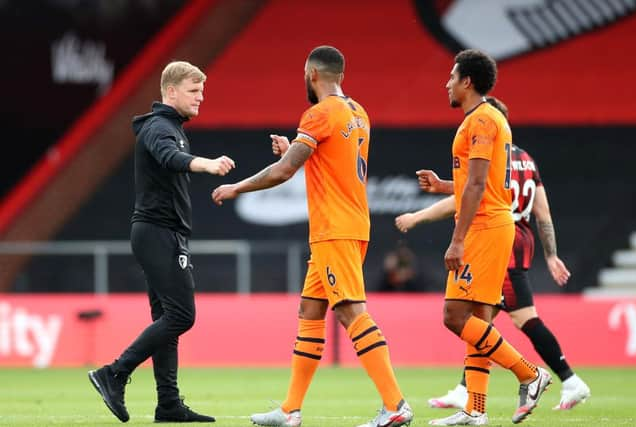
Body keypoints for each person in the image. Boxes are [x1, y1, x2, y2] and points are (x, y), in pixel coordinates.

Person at [212, 45, 413, 427]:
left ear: (313, 74)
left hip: (335, 229)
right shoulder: (357, 112)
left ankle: (395, 404)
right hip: (345, 225)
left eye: (304, 74)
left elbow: (283, 172)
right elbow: (328, 163)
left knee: (351, 311)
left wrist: (236, 187)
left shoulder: (319, 114)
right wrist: (295, 150)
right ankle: (290, 410)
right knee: (310, 311)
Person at [396, 96, 590, 416]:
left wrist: (419, 217)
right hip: (516, 239)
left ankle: (545, 376)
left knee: (488, 317)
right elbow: (540, 211)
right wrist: (551, 255)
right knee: (482, 319)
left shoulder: (490, 147)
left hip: (491, 236)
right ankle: (473, 403)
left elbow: (477, 192)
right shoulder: (525, 159)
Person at [88, 61, 235, 423]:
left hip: (162, 233)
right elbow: (171, 159)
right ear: (170, 91)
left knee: (168, 318)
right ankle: (115, 373)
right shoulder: (158, 127)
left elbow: (171, 161)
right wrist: (207, 164)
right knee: (183, 316)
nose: (201, 98)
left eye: (202, 91)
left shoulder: (170, 127)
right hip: (157, 233)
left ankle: (168, 404)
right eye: (193, 91)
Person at [411, 50, 553, 426]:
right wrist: (444, 185)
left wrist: (457, 240)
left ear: (467, 82)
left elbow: (477, 184)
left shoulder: (483, 120)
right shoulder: (485, 118)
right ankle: (475, 409)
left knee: (454, 316)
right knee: (478, 318)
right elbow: (480, 182)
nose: (447, 83)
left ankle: (529, 373)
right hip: (490, 222)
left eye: (452, 76)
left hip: (484, 228)